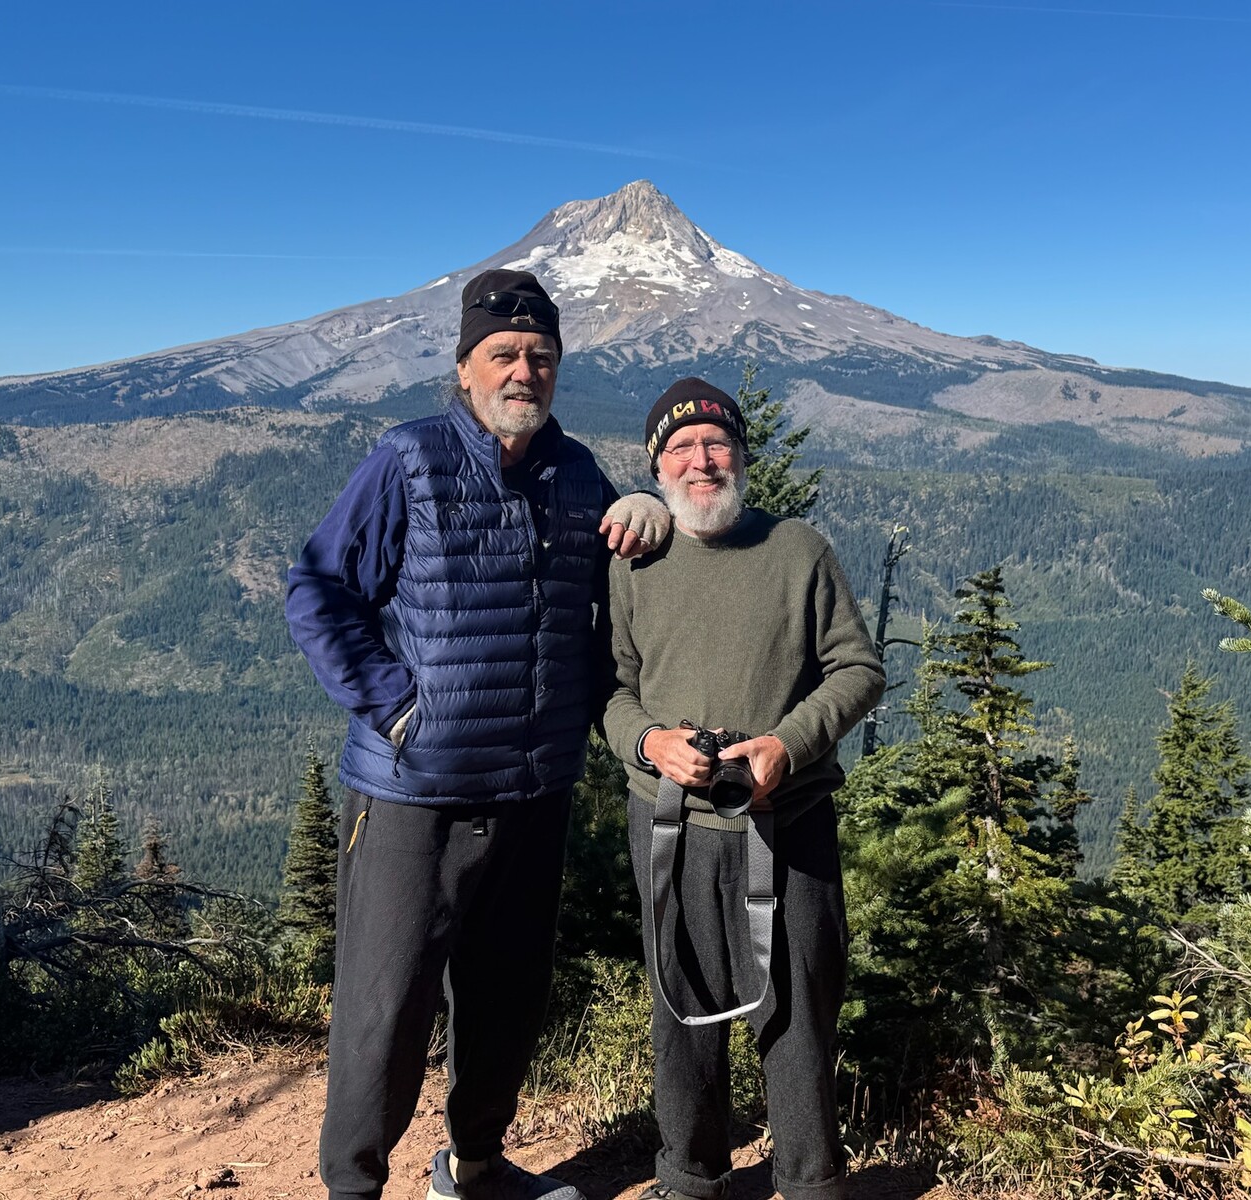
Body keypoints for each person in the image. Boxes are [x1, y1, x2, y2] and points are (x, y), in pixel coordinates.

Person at [286, 268, 670, 1200]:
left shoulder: (578, 474)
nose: (523, 372)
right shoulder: (408, 460)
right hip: (414, 792)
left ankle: (476, 1168)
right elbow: (319, 588)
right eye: (503, 354)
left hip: (533, 792)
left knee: (505, 1000)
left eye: (541, 357)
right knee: (384, 1010)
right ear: (464, 369)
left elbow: (627, 585)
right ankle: (354, 1187)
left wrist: (653, 507)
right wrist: (396, 705)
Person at [602, 377, 885, 1200]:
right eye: (680, 448)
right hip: (671, 827)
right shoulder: (633, 562)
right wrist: (652, 742)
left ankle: (810, 1182)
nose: (701, 460)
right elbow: (609, 692)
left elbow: (859, 668)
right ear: (657, 467)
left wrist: (787, 748)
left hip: (787, 823)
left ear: (742, 455)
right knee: (680, 1008)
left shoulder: (799, 551)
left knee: (796, 1013)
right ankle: (689, 1178)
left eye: (716, 443)